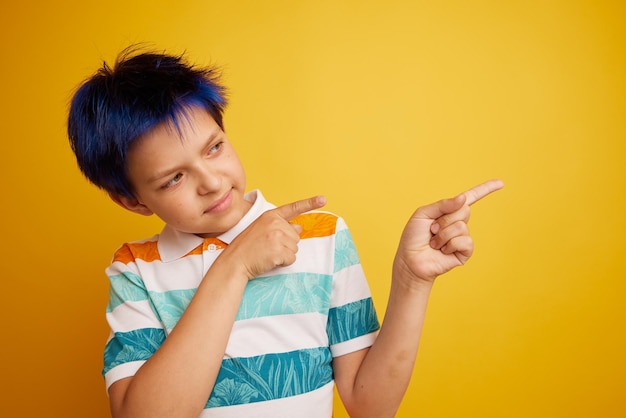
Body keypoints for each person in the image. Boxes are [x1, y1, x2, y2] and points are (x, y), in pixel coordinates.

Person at [67, 46, 503, 418]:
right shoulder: (136, 269)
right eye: (173, 179)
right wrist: (234, 265)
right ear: (135, 201)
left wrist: (412, 281)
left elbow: (371, 406)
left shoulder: (320, 236)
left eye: (215, 148)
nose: (213, 182)